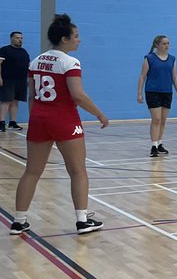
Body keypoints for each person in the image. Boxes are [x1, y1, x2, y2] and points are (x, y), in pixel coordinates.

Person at [9, 14, 107, 237]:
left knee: (31, 172)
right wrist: (100, 114)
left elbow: (32, 96)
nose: (79, 40)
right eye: (76, 36)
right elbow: (78, 95)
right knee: (78, 171)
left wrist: (36, 118)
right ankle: (82, 220)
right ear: (64, 39)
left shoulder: (36, 60)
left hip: (39, 119)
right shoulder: (70, 62)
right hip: (64, 119)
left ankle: (18, 221)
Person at [136, 35, 177, 158]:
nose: (167, 46)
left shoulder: (172, 59)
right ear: (157, 45)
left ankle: (159, 143)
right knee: (156, 119)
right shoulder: (149, 58)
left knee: (162, 120)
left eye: (168, 43)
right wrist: (139, 93)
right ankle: (153, 146)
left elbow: (174, 77)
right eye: (164, 43)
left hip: (167, 92)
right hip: (152, 91)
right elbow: (142, 76)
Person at [0, 30, 31, 132]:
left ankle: (12, 122)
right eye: (17, 38)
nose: (20, 40)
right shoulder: (4, 50)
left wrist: (28, 79)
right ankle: (1, 123)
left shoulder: (24, 52)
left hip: (21, 80)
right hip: (8, 80)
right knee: (6, 101)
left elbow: (28, 66)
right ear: (12, 38)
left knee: (15, 101)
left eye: (21, 38)